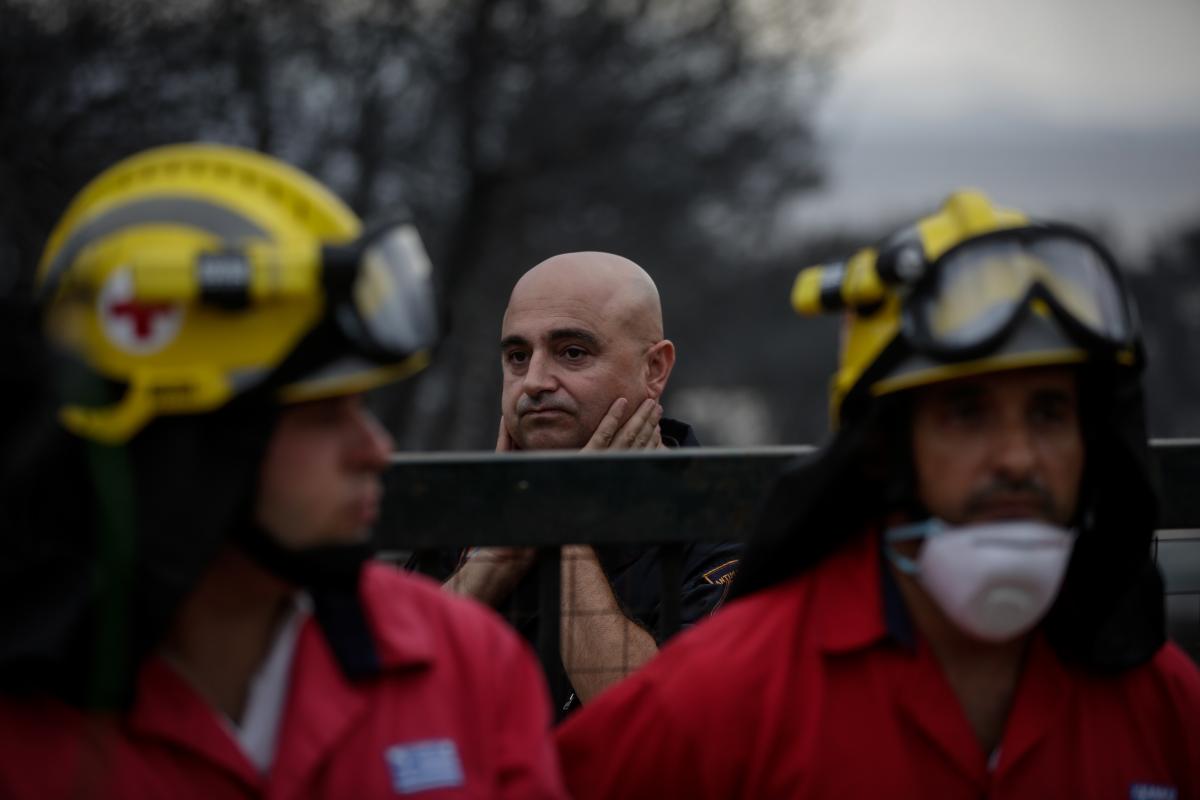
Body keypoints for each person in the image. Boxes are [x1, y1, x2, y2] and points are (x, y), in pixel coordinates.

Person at [557, 191, 1200, 798]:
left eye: (1050, 413)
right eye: (967, 413)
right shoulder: (737, 688)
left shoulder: (1165, 702)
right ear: (887, 446)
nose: (1018, 458)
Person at [0, 143, 567, 799]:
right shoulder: (23, 724)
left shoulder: (464, 663)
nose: (374, 449)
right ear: (186, 443)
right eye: (323, 415)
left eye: (363, 407)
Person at [444, 252, 741, 715]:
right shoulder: (456, 513)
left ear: (655, 369)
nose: (534, 382)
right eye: (518, 356)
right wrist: (505, 548)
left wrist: (564, 526)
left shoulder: (731, 526)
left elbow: (659, 731)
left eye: (573, 353)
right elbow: (377, 692)